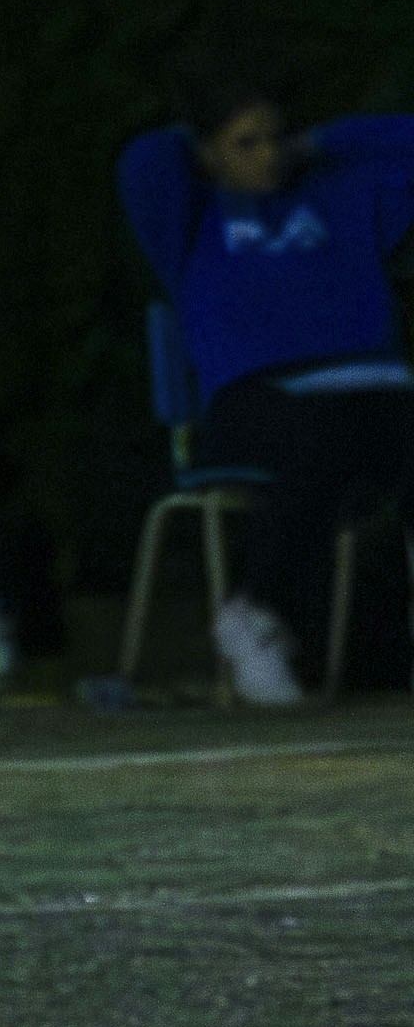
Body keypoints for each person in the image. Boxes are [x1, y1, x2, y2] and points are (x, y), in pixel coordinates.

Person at [117, 85, 414, 708]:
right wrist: (203, 149)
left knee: (374, 430)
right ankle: (256, 612)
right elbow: (144, 159)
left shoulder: (344, 194)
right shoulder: (192, 216)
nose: (268, 156)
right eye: (246, 144)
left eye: (275, 138)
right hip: (256, 395)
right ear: (208, 154)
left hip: (369, 384)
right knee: (317, 441)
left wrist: (326, 142)